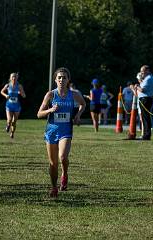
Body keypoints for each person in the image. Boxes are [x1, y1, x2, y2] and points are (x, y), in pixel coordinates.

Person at [37, 67, 86, 198]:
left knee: (63, 157)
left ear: (68, 80)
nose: (61, 80)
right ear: (55, 80)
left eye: (64, 77)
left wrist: (78, 115)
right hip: (51, 131)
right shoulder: (50, 95)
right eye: (59, 77)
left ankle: (64, 173)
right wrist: (50, 110)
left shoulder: (74, 94)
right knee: (53, 163)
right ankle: (54, 187)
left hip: (66, 131)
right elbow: (39, 114)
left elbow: (83, 104)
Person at [0, 72, 26, 138]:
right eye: (12, 77)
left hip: (17, 106)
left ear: (17, 78)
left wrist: (21, 93)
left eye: (15, 77)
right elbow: (1, 91)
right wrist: (6, 95)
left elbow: (24, 96)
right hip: (9, 105)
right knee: (9, 120)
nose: (14, 78)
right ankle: (8, 125)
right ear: (10, 78)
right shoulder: (8, 85)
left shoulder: (19, 86)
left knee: (14, 122)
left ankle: (12, 133)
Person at [134, 65, 153, 140]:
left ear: (147, 70)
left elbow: (142, 90)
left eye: (143, 71)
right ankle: (146, 134)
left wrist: (137, 86)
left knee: (145, 118)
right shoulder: (147, 78)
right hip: (144, 99)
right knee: (144, 118)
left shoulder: (148, 78)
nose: (141, 73)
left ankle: (146, 135)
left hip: (146, 99)